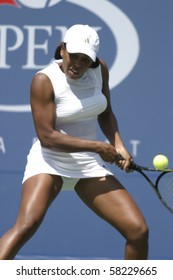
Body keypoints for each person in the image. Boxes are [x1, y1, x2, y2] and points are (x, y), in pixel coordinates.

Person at [0, 24, 148, 260]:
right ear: (62, 50)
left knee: (138, 231)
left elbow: (106, 112)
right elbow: (47, 137)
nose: (77, 64)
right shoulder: (43, 80)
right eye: (74, 55)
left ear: (94, 61)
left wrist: (117, 143)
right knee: (26, 225)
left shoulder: (100, 71)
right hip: (49, 162)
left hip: (87, 165)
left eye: (85, 59)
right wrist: (98, 147)